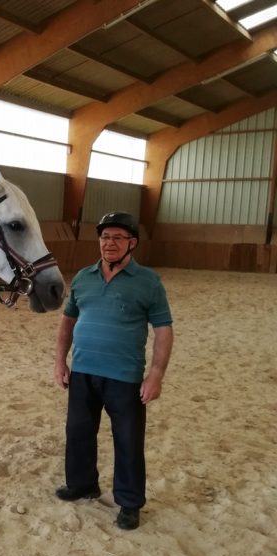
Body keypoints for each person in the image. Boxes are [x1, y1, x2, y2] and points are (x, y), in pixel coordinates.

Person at [53, 211, 173, 530]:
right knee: (78, 432)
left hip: (125, 377)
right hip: (83, 372)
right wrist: (59, 361)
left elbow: (163, 329)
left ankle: (130, 503)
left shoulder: (148, 282)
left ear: (132, 243)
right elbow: (68, 321)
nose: (109, 243)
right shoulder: (82, 277)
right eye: (105, 237)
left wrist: (156, 374)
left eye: (117, 238)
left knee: (128, 441)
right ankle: (82, 484)